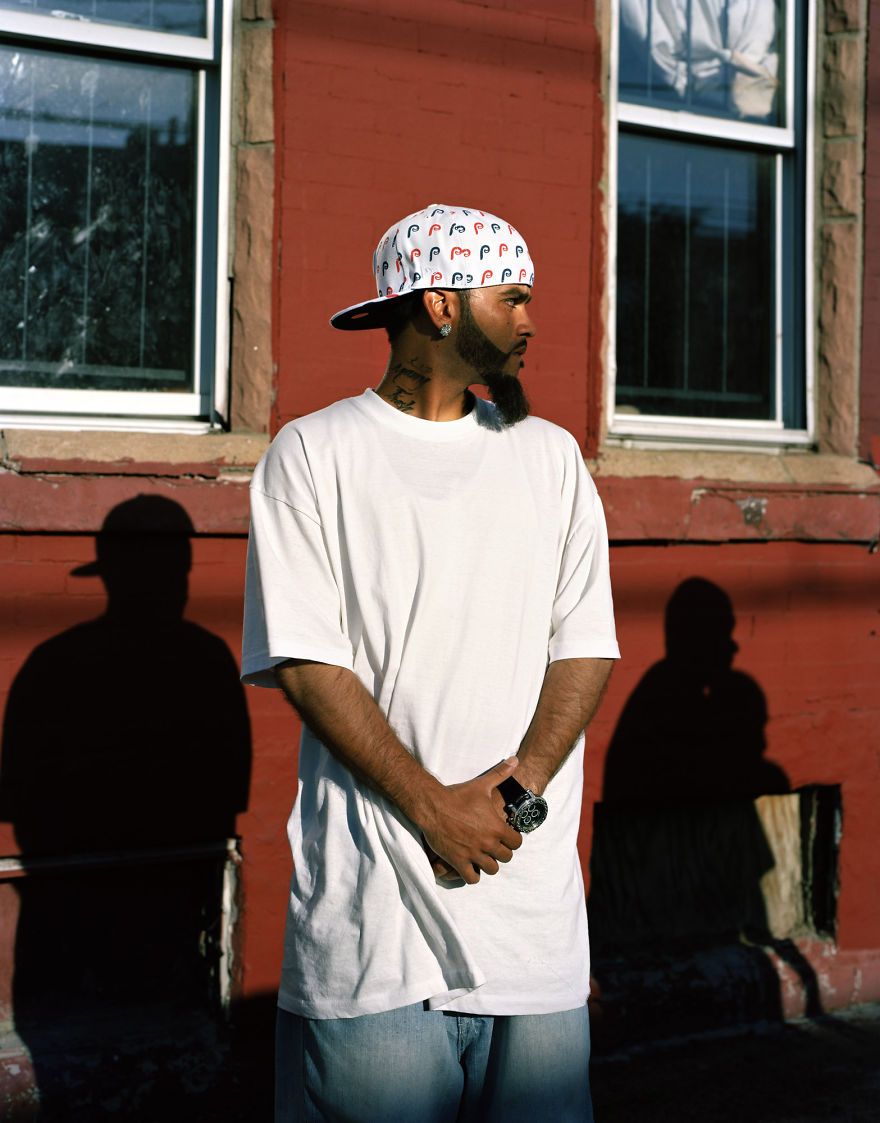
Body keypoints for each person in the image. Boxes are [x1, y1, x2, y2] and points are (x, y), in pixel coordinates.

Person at [241, 204, 620, 1122]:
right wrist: (433, 808)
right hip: (376, 933)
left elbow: (584, 644)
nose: (531, 321)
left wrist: (516, 794)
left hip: (529, 930)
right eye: (512, 297)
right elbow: (307, 660)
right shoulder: (313, 453)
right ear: (442, 304)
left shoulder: (550, 458)